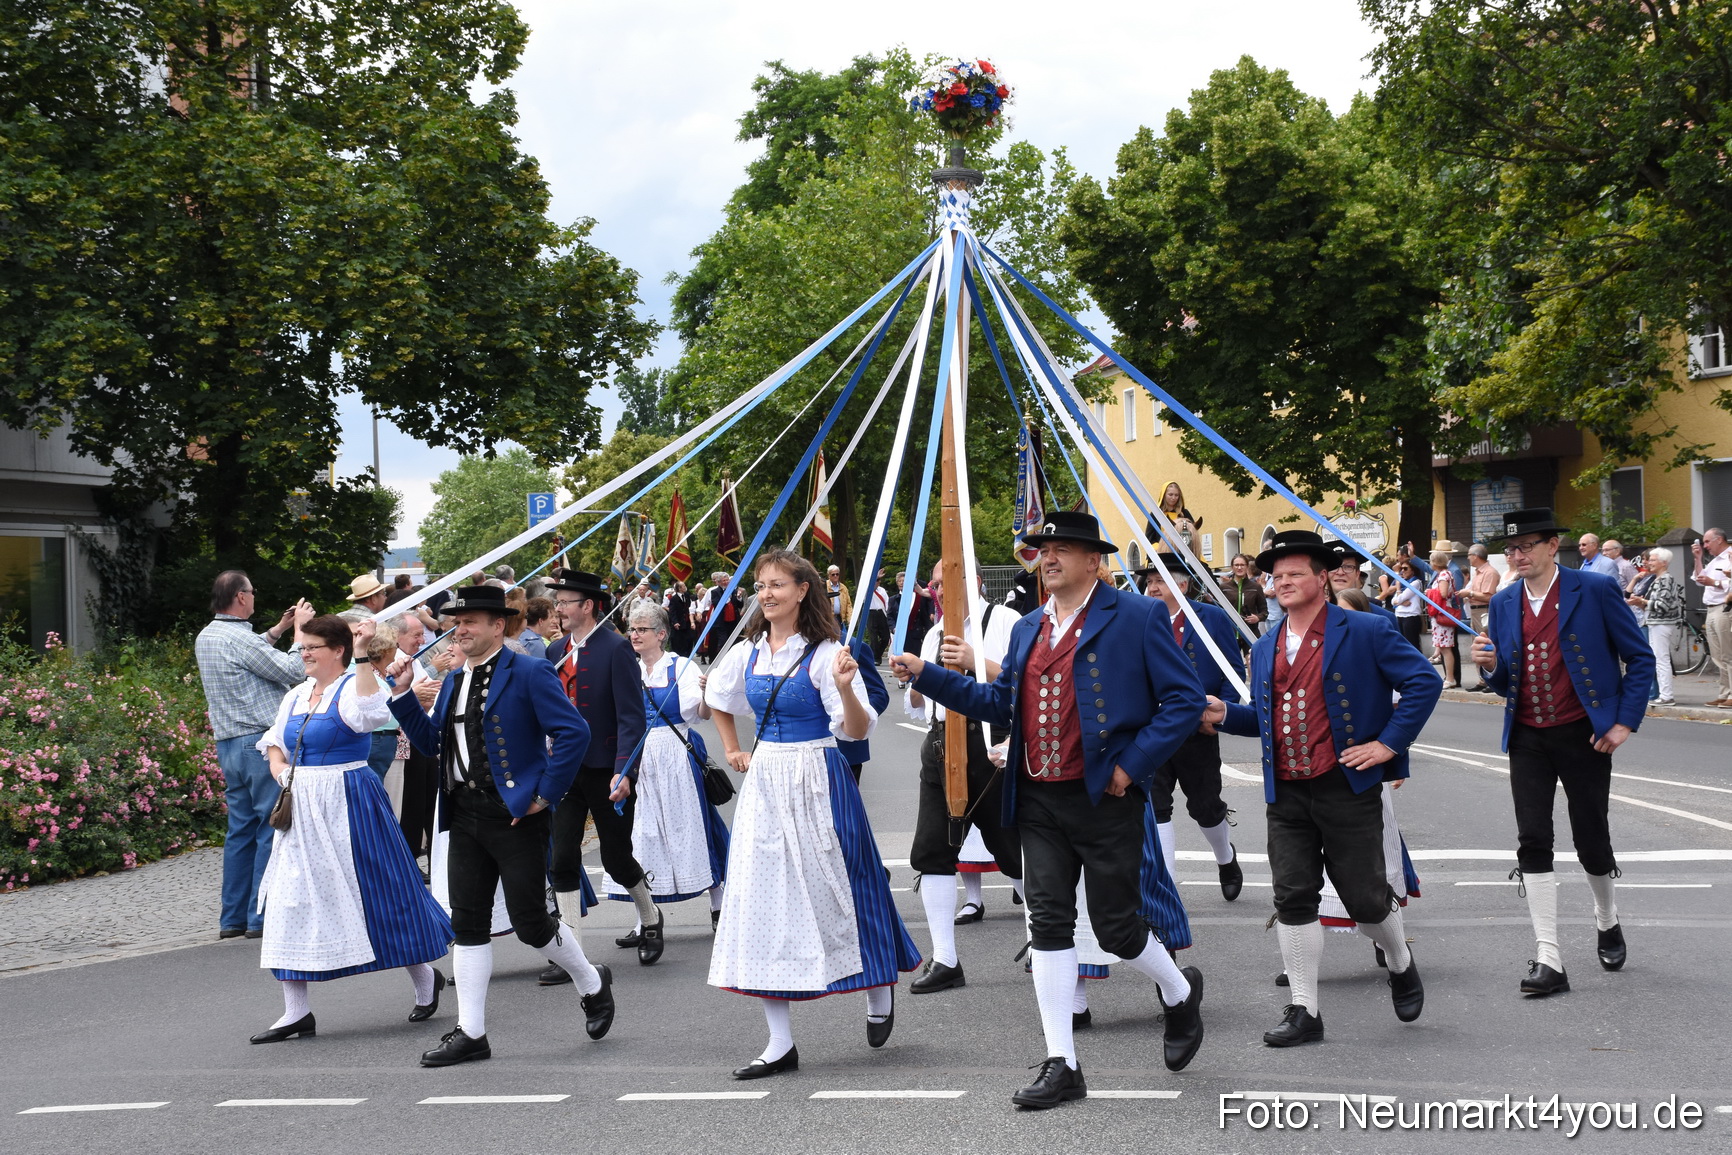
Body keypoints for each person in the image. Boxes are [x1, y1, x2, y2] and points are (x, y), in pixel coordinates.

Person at [894, 511, 1208, 1108]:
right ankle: (1062, 1062)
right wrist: (930, 675)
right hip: (1036, 799)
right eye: (1043, 549)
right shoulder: (1029, 628)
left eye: (1064, 548)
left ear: (1095, 561)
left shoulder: (1136, 616)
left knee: (1117, 929)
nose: (1049, 556)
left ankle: (1176, 991)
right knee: (1048, 925)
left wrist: (1128, 766)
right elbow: (998, 702)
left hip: (1105, 798)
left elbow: (1184, 702)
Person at [1201, 531, 1440, 1048]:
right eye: (1275, 575)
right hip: (1286, 792)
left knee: (1366, 901)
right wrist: (1224, 716)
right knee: (1292, 898)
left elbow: (1425, 681)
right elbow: (1271, 719)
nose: (1281, 583)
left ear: (1322, 577)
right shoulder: (1264, 646)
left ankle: (1400, 961)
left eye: (1293, 574)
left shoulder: (1366, 629)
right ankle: (1304, 1010)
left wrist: (1387, 745)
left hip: (1346, 787)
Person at [706, 549, 920, 1079]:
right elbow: (716, 697)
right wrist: (734, 746)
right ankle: (779, 1041)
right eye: (761, 585)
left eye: (778, 584)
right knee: (763, 896)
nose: (767, 593)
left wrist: (847, 690)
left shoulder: (827, 654)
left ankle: (877, 986)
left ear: (803, 590)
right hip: (767, 780)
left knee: (847, 885)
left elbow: (856, 730)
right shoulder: (748, 651)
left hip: (819, 775)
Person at [387, 584, 612, 1066]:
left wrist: (544, 795)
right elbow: (431, 745)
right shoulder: (452, 680)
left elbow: (574, 732)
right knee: (467, 924)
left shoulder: (529, 670)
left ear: (497, 625)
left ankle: (591, 981)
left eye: (471, 622)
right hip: (463, 815)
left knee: (531, 924)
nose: (460, 629)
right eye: (456, 621)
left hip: (514, 817)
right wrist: (404, 695)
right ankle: (472, 1033)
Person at [1471, 508, 1655, 996]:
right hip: (1528, 736)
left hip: (1584, 733)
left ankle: (1606, 916)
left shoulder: (1593, 589)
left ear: (1553, 546)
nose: (1517, 555)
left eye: (1527, 546)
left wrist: (1623, 723)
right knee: (1532, 839)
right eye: (1511, 549)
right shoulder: (1505, 601)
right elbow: (1505, 680)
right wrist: (1490, 668)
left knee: (1591, 838)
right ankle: (1549, 956)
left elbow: (1639, 657)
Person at [249, 614, 453, 1045]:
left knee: (382, 892)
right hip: (303, 805)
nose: (303, 654)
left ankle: (424, 978)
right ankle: (296, 1011)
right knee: (292, 898)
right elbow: (275, 742)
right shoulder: (297, 694)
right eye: (301, 647)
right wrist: (282, 771)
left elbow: (365, 717)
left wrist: (363, 655)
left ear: (337, 651)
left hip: (350, 799)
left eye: (311, 647)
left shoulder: (357, 685)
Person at [901, 562, 1025, 995]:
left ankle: (1044, 937)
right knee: (932, 850)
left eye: (945, 582)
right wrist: (916, 680)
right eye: (934, 584)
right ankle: (945, 958)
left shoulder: (1007, 620)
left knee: (1014, 851)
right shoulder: (934, 631)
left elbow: (1024, 684)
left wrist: (974, 661)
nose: (937, 590)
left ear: (972, 582)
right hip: (939, 746)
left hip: (989, 746)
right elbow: (916, 705)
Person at [542, 569, 658, 972]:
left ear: (587, 606)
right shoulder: (553, 651)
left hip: (606, 768)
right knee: (562, 857)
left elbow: (631, 716)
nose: (558, 609)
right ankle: (571, 953)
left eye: (564, 602)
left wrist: (624, 770)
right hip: (563, 769)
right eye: (556, 603)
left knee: (615, 856)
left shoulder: (615, 648)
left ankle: (650, 917)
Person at [195, 571, 314, 940]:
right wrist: (300, 634)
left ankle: (231, 918)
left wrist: (278, 629)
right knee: (270, 826)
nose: (254, 597)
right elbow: (295, 670)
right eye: (252, 591)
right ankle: (259, 916)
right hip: (257, 744)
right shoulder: (240, 640)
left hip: (227, 743)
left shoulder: (209, 635)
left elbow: (253, 654)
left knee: (240, 831)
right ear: (241, 598)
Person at [615, 603, 729, 931]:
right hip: (637, 757)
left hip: (675, 753)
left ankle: (717, 898)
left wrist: (708, 694)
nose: (634, 635)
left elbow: (701, 715)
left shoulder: (681, 668)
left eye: (641, 630)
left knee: (691, 826)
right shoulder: (627, 668)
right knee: (642, 834)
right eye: (632, 629)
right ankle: (645, 916)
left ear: (661, 634)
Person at [1137, 564, 1245, 902]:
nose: (1153, 588)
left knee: (1206, 806)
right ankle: (1166, 887)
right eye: (1150, 582)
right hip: (1153, 729)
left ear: (1182, 586)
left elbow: (1232, 669)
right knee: (1156, 806)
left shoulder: (1210, 617)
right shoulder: (1139, 618)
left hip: (1199, 728)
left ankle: (1225, 858)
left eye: (1160, 581)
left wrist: (1221, 717)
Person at [389, 612, 442, 859]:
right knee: (412, 806)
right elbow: (408, 695)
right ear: (397, 636)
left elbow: (429, 691)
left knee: (426, 804)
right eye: (417, 635)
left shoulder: (410, 658)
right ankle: (410, 864)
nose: (422, 640)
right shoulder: (395, 660)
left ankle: (429, 862)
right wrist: (415, 694)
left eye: (423, 634)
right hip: (406, 741)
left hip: (422, 735)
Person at [1629, 547, 1682, 705]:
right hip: (1655, 622)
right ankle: (1664, 694)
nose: (1648, 563)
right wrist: (1640, 603)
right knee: (1659, 658)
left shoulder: (1665, 579)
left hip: (1662, 623)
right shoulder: (1658, 579)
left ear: (1663, 563)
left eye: (1652, 560)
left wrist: (1642, 601)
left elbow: (1662, 605)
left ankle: (1666, 696)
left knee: (1661, 659)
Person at [1690, 528, 1732, 707]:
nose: (1705, 546)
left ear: (1719, 540)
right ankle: (1725, 693)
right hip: (1712, 608)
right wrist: (1698, 559)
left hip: (1725, 607)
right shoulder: (1715, 560)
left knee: (1728, 653)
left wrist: (1714, 582)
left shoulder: (1729, 556)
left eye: (1707, 542)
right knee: (1718, 655)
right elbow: (1700, 578)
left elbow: (1728, 582)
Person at [1463, 545, 1501, 691]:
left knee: (1485, 643)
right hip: (1475, 611)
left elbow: (1488, 596)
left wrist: (1469, 594)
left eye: (1469, 554)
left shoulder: (1490, 573)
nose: (1467, 558)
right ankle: (1482, 679)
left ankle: (1491, 679)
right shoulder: (1478, 573)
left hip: (1483, 611)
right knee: (1477, 646)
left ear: (1476, 555)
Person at [1425, 549, 1464, 689]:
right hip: (1440, 614)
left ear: (1435, 562)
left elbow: (1442, 594)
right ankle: (1449, 677)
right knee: (1443, 648)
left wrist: (1428, 592)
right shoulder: (1443, 574)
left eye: (1431, 560)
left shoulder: (1443, 575)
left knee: (1446, 648)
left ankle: (1450, 678)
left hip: (1443, 614)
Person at [1221, 553, 1268, 644]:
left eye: (1242, 565)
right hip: (1230, 634)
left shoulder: (1256, 587)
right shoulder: (1223, 587)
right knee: (1231, 659)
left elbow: (1265, 612)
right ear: (1232, 567)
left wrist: (1257, 618)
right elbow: (1216, 609)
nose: (1239, 568)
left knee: (1250, 658)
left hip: (1250, 632)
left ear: (1247, 567)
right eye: (1236, 565)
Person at [1391, 559, 1427, 651]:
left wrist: (1398, 588)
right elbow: (1393, 601)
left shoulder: (1416, 582)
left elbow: (1399, 598)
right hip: (1399, 615)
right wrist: (1401, 602)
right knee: (1401, 645)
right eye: (1401, 569)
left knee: (1412, 645)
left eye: (1405, 568)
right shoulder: (1403, 583)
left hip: (1410, 616)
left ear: (1413, 570)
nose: (1402, 571)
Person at [665, 581, 697, 657]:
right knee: (679, 641)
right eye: (683, 586)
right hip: (679, 623)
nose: (685, 587)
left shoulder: (686, 596)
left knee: (689, 639)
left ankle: (687, 655)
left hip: (687, 622)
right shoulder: (674, 599)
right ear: (679, 588)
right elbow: (672, 612)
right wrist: (675, 622)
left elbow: (689, 608)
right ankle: (680, 655)